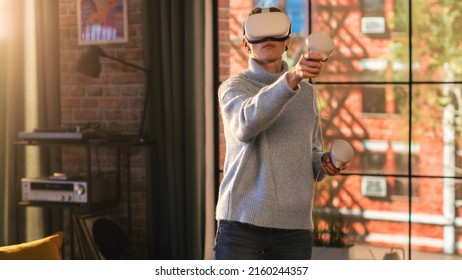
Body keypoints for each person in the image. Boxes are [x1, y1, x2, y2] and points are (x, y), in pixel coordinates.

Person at [214, 6, 348, 260]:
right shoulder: (233, 88)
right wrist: (293, 77)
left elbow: (311, 157)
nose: (267, 40)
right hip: (242, 224)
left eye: (275, 33)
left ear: (287, 41)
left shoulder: (307, 94)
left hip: (295, 228)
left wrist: (324, 162)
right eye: (259, 34)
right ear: (246, 43)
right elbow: (246, 124)